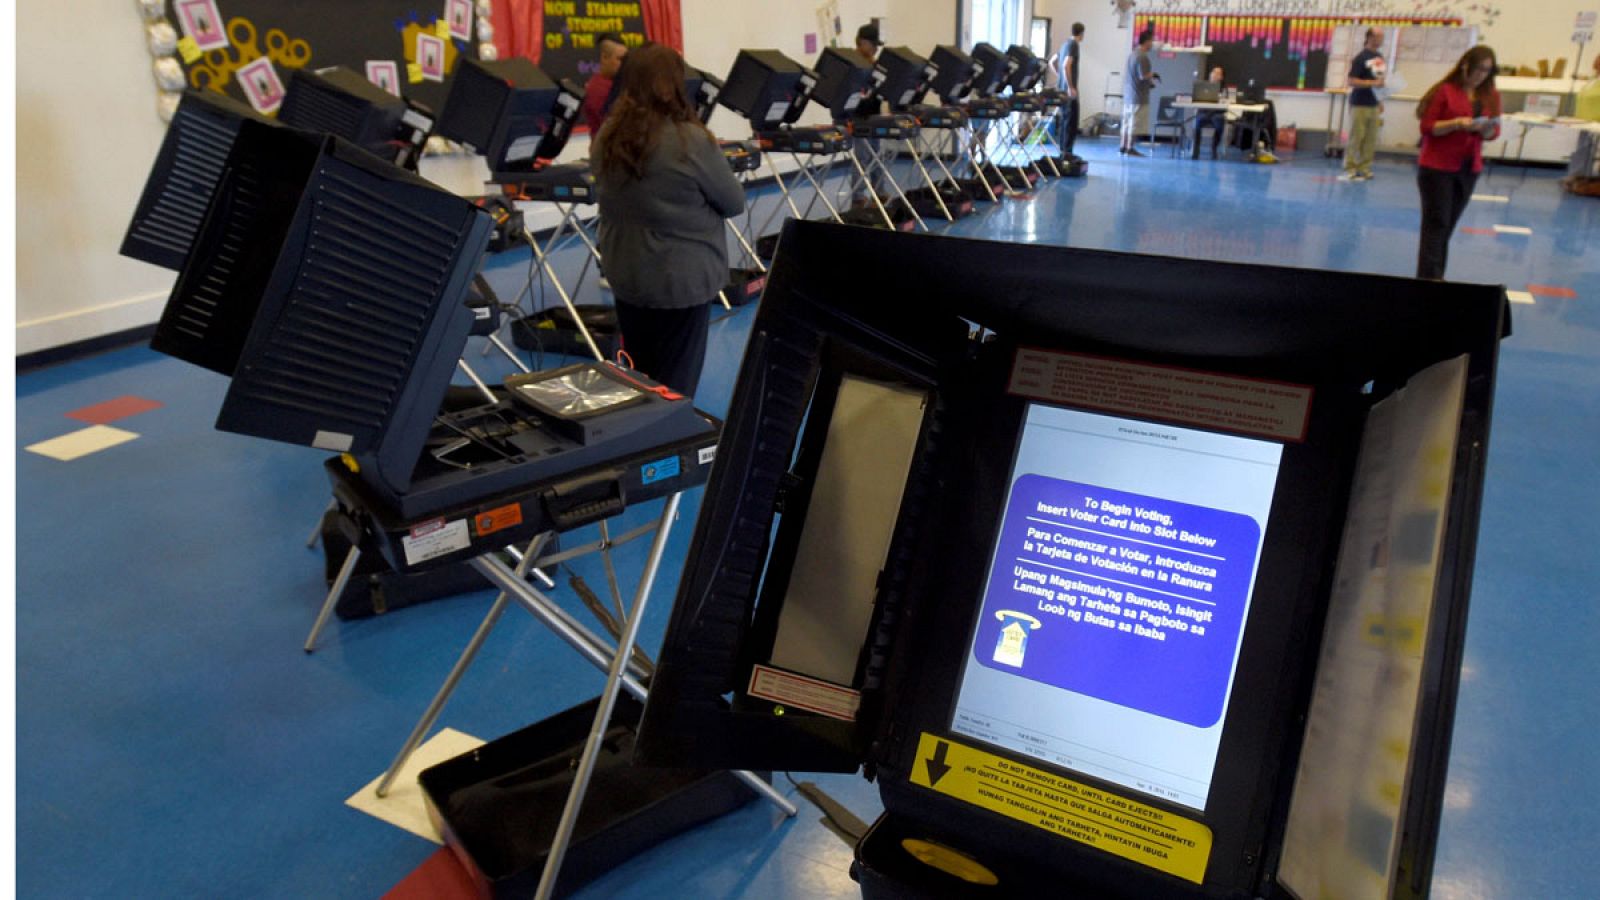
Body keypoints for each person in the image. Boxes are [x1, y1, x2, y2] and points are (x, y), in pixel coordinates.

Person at [592, 44, 746, 397]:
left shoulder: (608, 136)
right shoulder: (688, 139)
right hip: (680, 280)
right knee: (676, 387)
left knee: (640, 379)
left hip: (627, 274)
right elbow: (733, 202)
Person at [1414, 45, 1501, 280]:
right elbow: (1427, 127)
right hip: (1437, 167)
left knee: (1448, 225)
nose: (1482, 75)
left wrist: (1485, 129)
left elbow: (1495, 131)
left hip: (1468, 167)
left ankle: (1435, 275)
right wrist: (1457, 124)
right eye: (1479, 69)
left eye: (1487, 71)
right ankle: (1429, 279)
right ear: (1466, 66)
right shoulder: (1445, 91)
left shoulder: (1491, 96)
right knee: (1437, 224)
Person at [846, 23, 887, 207]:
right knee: (862, 157)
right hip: (858, 116)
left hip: (874, 116)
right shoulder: (853, 63)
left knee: (877, 155)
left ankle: (880, 192)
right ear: (862, 42)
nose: (876, 48)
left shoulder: (873, 64)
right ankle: (858, 197)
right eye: (873, 44)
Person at [1341, 28, 1387, 181]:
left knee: (1370, 138)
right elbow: (1352, 80)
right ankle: (1350, 167)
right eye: (1378, 36)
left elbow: (1379, 82)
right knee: (1356, 137)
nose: (1381, 39)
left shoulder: (1379, 57)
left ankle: (1364, 167)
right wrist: (1371, 83)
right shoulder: (1360, 58)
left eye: (1382, 37)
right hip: (1359, 103)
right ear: (1370, 37)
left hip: (1373, 104)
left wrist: (1380, 100)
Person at [1121, 28, 1159, 156]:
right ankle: (1130, 148)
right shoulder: (1143, 57)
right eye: (1151, 41)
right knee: (1134, 123)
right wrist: (1153, 75)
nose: (1152, 44)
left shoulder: (1132, 54)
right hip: (1139, 96)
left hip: (1128, 95)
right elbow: (1143, 75)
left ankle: (1123, 146)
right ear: (1147, 42)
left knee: (1126, 122)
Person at [582, 33, 629, 133]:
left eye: (626, 59)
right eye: (620, 59)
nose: (625, 63)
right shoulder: (598, 89)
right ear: (604, 58)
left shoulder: (620, 82)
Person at [1053, 22, 1085, 156]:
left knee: (1065, 119)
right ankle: (1067, 151)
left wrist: (1060, 77)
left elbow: (1052, 62)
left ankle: (1063, 149)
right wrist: (1070, 86)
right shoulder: (1073, 45)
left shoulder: (1064, 44)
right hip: (1068, 91)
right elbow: (1066, 65)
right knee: (1071, 121)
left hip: (1061, 89)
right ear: (1082, 33)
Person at [1194, 66, 1227, 159]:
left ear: (1221, 77)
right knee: (1197, 122)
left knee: (1220, 122)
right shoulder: (1202, 86)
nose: (1214, 75)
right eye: (1213, 72)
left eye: (1217, 73)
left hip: (1217, 114)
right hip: (1204, 112)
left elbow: (1225, 105)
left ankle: (1214, 148)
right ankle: (1196, 149)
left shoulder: (1224, 89)